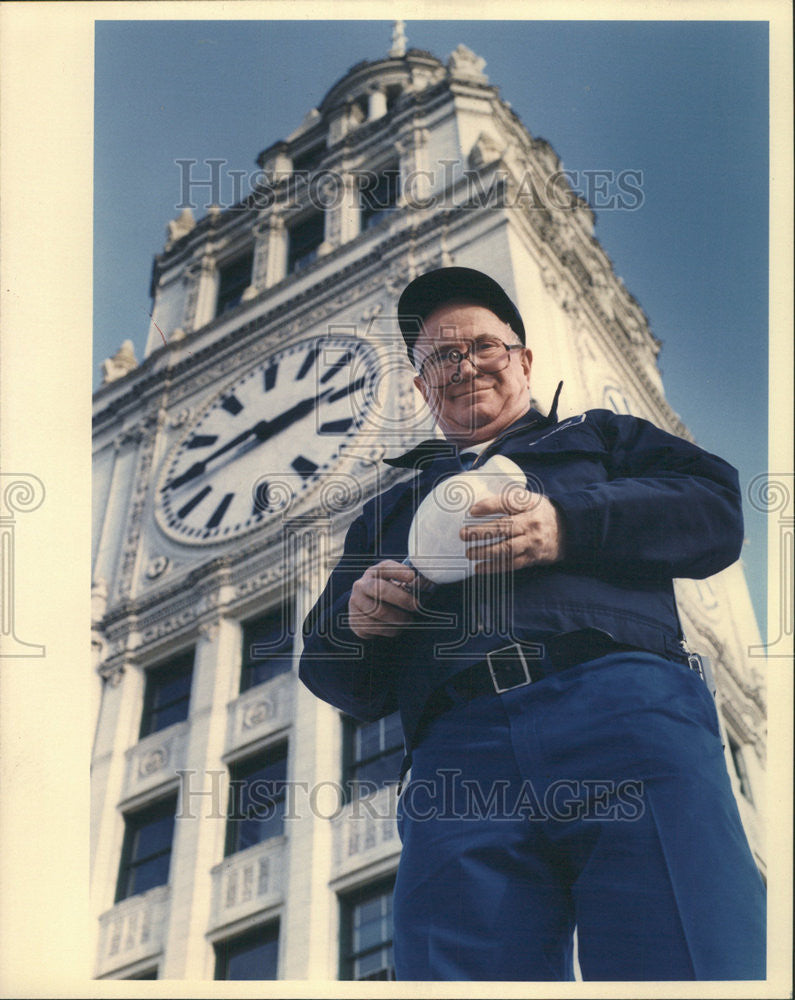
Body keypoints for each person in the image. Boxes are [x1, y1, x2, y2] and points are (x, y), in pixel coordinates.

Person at [299, 267, 766, 981]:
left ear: (522, 359)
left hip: (619, 701)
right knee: (456, 973)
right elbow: (329, 670)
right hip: (457, 753)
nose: (464, 366)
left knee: (686, 950)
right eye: (440, 358)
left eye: (483, 346)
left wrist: (567, 524)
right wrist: (358, 622)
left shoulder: (602, 438)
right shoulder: (386, 514)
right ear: (422, 388)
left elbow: (715, 510)